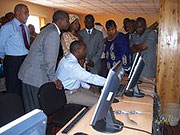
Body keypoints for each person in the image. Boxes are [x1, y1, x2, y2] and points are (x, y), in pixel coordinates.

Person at [18, 10, 69, 112]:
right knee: (35, 111)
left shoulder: (48, 29)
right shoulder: (53, 34)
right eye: (67, 21)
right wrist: (54, 80)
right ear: (60, 21)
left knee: (30, 109)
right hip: (34, 76)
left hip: (29, 74)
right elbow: (49, 61)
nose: (68, 23)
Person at [56, 40, 106, 107]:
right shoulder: (72, 65)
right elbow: (91, 78)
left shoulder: (67, 58)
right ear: (77, 51)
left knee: (99, 97)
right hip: (69, 94)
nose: (86, 52)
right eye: (84, 50)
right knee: (100, 103)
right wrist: (112, 81)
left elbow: (77, 77)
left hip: (75, 89)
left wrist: (89, 87)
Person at [0, 4, 29, 98]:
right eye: (25, 13)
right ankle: (13, 109)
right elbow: (1, 44)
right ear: (17, 13)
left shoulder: (25, 27)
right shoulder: (7, 27)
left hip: (24, 59)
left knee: (23, 86)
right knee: (13, 86)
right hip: (13, 60)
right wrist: (3, 58)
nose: (28, 15)